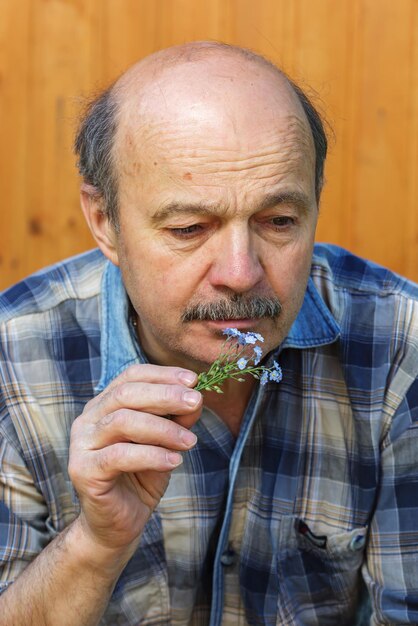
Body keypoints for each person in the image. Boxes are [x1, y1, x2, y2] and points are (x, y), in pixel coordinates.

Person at [0, 40, 417, 626]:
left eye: (279, 222)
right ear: (105, 222)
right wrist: (94, 547)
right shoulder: (13, 361)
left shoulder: (402, 344)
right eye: (190, 227)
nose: (241, 273)